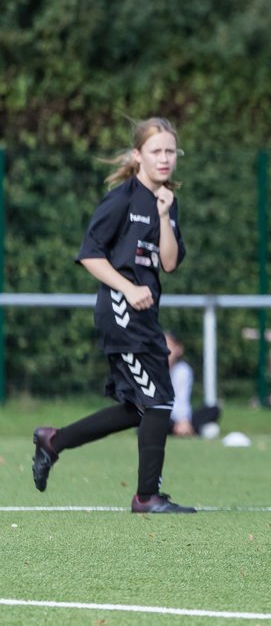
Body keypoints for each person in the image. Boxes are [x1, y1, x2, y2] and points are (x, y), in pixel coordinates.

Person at [31, 118, 196, 513]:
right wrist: (127, 287)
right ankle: (146, 496)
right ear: (138, 155)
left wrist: (164, 216)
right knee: (157, 400)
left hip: (146, 315)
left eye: (170, 151)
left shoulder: (165, 202)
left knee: (140, 407)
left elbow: (170, 263)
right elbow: (90, 254)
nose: (164, 158)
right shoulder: (121, 199)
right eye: (156, 151)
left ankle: (53, 441)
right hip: (121, 312)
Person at [165, 331, 222, 438]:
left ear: (178, 349)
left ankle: (184, 428)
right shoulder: (151, 371)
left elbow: (181, 400)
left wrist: (183, 420)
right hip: (162, 416)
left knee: (213, 409)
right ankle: (191, 430)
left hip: (183, 418)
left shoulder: (183, 370)